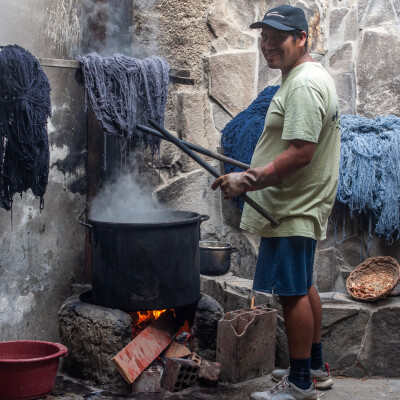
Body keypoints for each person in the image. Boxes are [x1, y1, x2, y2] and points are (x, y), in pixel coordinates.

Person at [211, 5, 340, 400]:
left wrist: (247, 179)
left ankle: (300, 384)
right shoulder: (309, 76)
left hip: (290, 205)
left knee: (292, 293)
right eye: (263, 36)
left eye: (278, 37)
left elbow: (302, 152)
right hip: (299, 203)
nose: (267, 45)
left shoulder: (302, 84)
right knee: (303, 285)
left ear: (302, 38)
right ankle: (314, 367)